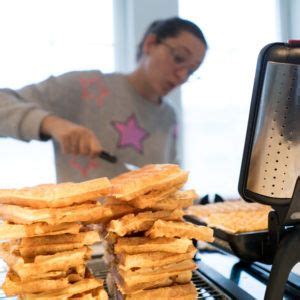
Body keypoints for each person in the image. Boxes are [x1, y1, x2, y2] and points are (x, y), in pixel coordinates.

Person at [0, 17, 207, 183]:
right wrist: (52, 124)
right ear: (150, 44)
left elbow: (171, 183)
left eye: (191, 71)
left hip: (146, 234)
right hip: (81, 231)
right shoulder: (87, 87)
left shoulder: (169, 118)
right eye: (179, 58)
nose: (182, 75)